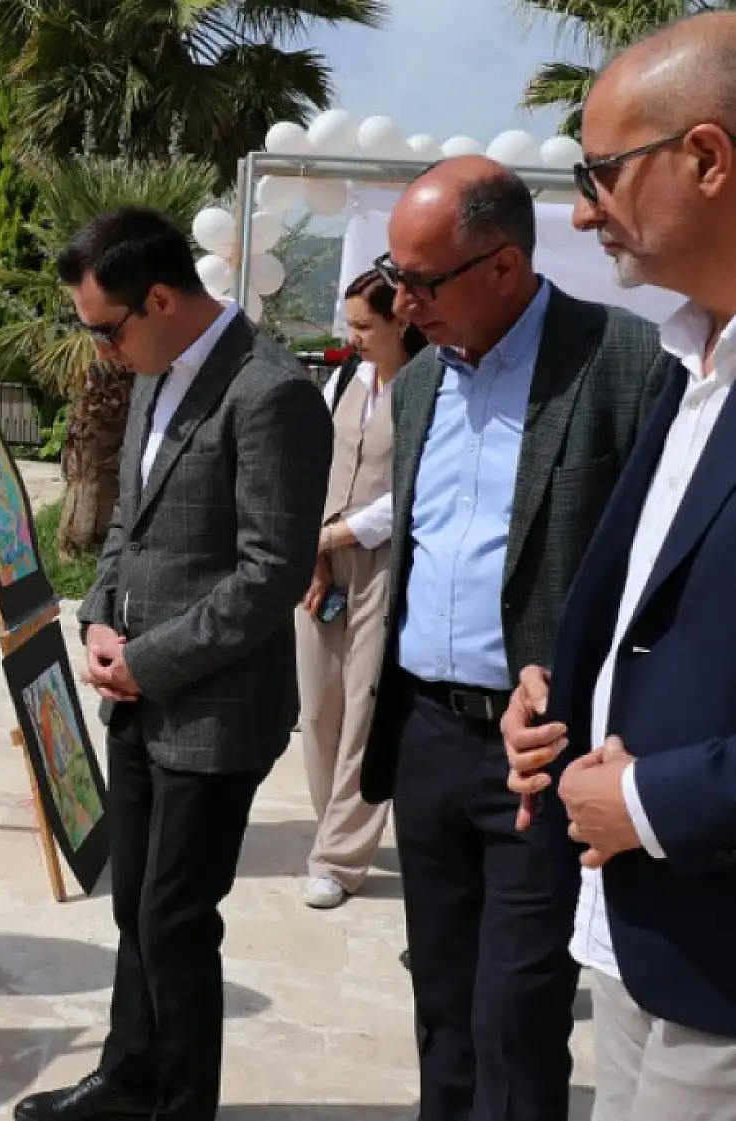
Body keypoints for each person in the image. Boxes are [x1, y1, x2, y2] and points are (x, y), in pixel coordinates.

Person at [356, 156, 677, 1121]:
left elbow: (651, 570)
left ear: (501, 266)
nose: (401, 303)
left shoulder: (623, 363)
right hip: (423, 733)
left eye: (421, 282)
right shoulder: (418, 387)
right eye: (393, 277)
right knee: (442, 1002)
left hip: (540, 752)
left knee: (516, 1009)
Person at [14, 207, 333, 1121]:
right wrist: (98, 621)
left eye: (105, 328)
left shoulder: (269, 391)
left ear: (159, 297)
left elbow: (272, 574)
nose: (101, 350)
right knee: (135, 911)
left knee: (177, 921)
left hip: (215, 709)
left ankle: (180, 1105)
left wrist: (148, 659)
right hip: (138, 694)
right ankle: (128, 1075)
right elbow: (128, 522)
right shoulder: (156, 375)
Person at [502, 14, 736, 1118]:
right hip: (636, 934)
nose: (582, 209)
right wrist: (560, 686)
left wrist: (646, 799)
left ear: (704, 157)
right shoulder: (685, 360)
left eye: (600, 170)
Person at [295, 268, 427, 910]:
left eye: (365, 326)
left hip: (384, 565)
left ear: (402, 322)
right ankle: (331, 829)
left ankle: (340, 858)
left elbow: (401, 501)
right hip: (322, 559)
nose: (353, 336)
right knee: (318, 708)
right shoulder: (343, 380)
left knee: (363, 710)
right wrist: (314, 557)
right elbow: (312, 463)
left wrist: (327, 540)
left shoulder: (428, 390)